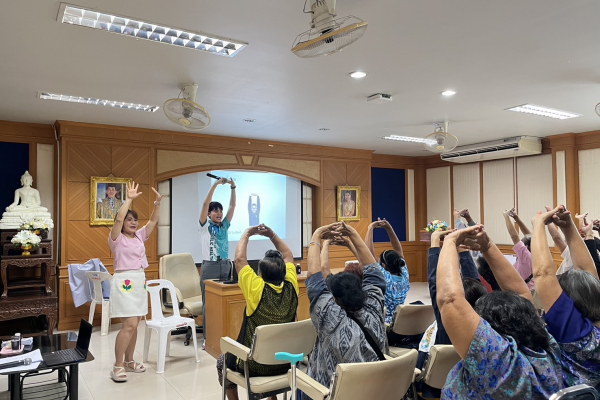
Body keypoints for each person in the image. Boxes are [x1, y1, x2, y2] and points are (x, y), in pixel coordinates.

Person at [438, 225, 564, 399]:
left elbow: (450, 300)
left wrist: (449, 242)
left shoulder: (497, 361)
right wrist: (487, 246)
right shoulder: (547, 349)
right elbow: (522, 296)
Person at [216, 224, 298, 400]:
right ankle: (272, 397)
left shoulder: (256, 288)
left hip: (256, 365)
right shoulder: (292, 286)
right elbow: (289, 255)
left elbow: (239, 260)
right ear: (285, 273)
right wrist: (272, 234)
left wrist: (246, 233)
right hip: (286, 362)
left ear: (260, 274)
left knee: (222, 362)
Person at [306, 222, 387, 389]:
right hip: (374, 391)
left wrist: (316, 236)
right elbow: (374, 271)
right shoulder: (374, 308)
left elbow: (314, 279)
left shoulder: (329, 318)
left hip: (332, 392)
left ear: (334, 298)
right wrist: (352, 233)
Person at [531, 205, 600, 390]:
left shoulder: (575, 332)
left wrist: (538, 225)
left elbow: (544, 274)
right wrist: (569, 227)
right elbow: (588, 273)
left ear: (570, 304)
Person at [109, 181, 163, 382]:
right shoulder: (116, 238)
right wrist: (129, 199)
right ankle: (117, 365)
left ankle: (130, 361)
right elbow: (118, 219)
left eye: (135, 220)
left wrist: (157, 205)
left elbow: (152, 222)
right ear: (122, 222)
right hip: (124, 281)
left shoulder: (139, 237)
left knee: (136, 323)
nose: (133, 223)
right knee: (129, 324)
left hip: (140, 280)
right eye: (129, 220)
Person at [199, 177, 237, 349]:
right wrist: (216, 184)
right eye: (215, 211)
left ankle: (225, 336)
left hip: (226, 265)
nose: (219, 213)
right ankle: (208, 338)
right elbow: (206, 203)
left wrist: (233, 187)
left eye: (220, 210)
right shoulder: (204, 225)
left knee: (227, 302)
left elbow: (233, 207)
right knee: (209, 305)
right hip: (210, 267)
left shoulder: (225, 226)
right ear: (209, 214)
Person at [365, 218, 410, 324]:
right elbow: (398, 249)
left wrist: (370, 228)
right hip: (399, 321)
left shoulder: (383, 276)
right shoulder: (404, 274)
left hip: (383, 323)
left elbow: (368, 252)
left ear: (383, 265)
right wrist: (389, 228)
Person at [503, 207, 535, 290]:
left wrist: (506, 216)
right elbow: (529, 236)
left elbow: (514, 236)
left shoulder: (527, 257)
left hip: (521, 292)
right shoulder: (536, 254)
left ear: (526, 247)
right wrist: (516, 218)